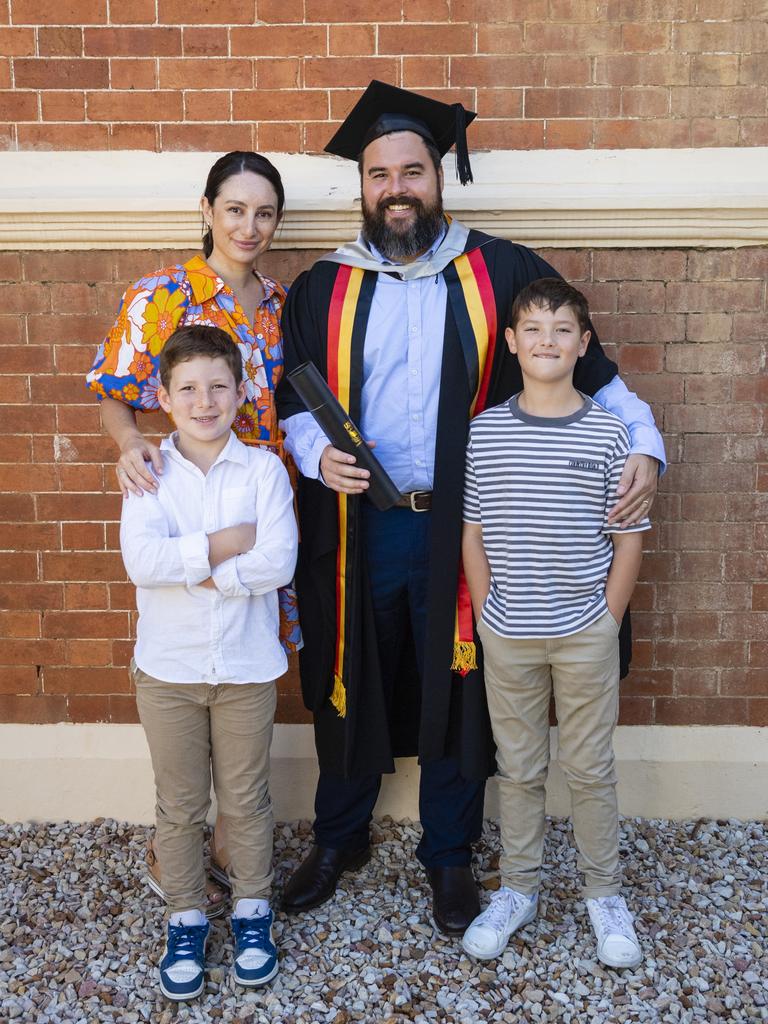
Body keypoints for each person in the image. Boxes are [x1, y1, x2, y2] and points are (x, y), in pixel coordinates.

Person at [277, 81, 665, 936]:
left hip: (467, 526)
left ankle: (448, 857)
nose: (398, 188)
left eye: (413, 170)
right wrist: (315, 452)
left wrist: (645, 445)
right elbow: (290, 397)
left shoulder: (505, 272)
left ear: (439, 178)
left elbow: (599, 378)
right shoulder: (324, 287)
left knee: (462, 683)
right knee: (351, 674)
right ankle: (338, 840)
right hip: (362, 524)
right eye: (381, 175)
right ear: (364, 187)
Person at [86, 151, 301, 915]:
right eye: (235, 208)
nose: (249, 226)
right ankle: (176, 851)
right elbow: (114, 391)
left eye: (264, 212)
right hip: (186, 496)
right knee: (196, 653)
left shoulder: (280, 303)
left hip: (259, 494)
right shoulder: (162, 294)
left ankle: (223, 851)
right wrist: (130, 445)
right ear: (208, 209)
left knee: (244, 660)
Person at [460, 279, 650, 968]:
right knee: (518, 768)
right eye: (533, 328)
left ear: (583, 344)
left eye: (562, 329)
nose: (547, 340)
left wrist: (607, 619)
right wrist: (487, 617)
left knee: (591, 767)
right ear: (511, 343)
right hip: (508, 631)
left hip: (583, 632)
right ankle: (519, 888)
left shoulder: (609, 432)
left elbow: (629, 537)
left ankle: (604, 893)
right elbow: (473, 530)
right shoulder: (486, 431)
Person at [120, 324, 298, 1000]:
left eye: (218, 386)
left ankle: (254, 912)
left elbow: (277, 560)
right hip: (168, 668)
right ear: (164, 398)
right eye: (188, 388)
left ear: (241, 391)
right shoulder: (147, 472)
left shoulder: (262, 471)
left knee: (247, 799)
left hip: (247, 668)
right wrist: (227, 544)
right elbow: (144, 562)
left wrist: (197, 569)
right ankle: (187, 916)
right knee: (181, 803)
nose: (204, 401)